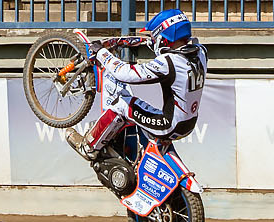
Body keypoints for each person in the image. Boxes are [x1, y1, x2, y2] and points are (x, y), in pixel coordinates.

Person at [66, 10, 207, 193]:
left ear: (164, 37)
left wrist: (101, 53)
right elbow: (162, 46)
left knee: (122, 103)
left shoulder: (169, 62)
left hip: (167, 124)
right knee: (140, 110)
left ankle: (89, 147)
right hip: (187, 124)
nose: (154, 40)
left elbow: (125, 73)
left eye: (156, 36)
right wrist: (136, 41)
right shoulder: (200, 52)